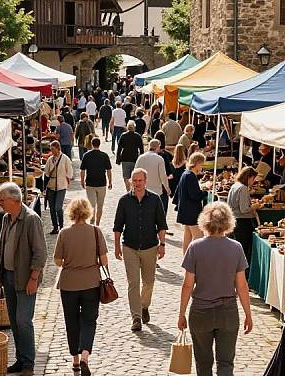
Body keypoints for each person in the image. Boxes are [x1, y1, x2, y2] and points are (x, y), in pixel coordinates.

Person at [178, 202, 252, 376]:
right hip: (227, 312)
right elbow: (241, 285)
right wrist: (248, 314)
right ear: (228, 222)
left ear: (204, 222)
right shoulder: (236, 248)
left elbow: (188, 284)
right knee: (226, 364)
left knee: (203, 364)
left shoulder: (195, 247)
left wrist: (181, 313)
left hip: (200, 312)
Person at [0, 182, 47, 376]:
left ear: (14, 200)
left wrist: (34, 278)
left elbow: (40, 252)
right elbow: (2, 245)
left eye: (2, 199)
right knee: (14, 321)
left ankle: (29, 363)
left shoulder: (31, 219)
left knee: (23, 320)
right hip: (9, 276)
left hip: (25, 278)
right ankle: (20, 358)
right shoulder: (6, 219)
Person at [54, 199, 108, 375]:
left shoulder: (64, 233)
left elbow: (58, 260)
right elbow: (104, 260)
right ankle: (85, 355)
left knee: (71, 321)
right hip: (91, 282)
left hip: (68, 283)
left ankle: (75, 360)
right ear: (88, 212)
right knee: (89, 320)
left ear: (70, 212)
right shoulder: (95, 231)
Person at [113, 168, 167, 332]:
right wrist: (116, 246)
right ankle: (136, 317)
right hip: (129, 246)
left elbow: (161, 225)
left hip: (150, 246)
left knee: (149, 282)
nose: (137, 184)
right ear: (130, 181)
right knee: (133, 283)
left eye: (140, 180)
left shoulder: (155, 200)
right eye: (134, 180)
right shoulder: (124, 201)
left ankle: (144, 306)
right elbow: (117, 226)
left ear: (146, 181)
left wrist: (162, 245)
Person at [174, 152, 209, 254]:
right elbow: (195, 195)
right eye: (201, 164)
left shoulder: (186, 174)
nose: (202, 166)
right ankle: (193, 259)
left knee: (188, 236)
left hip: (186, 210)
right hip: (191, 212)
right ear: (197, 163)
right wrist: (205, 192)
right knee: (198, 237)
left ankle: (186, 257)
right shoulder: (190, 176)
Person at [227, 167, 259, 266]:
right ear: (248, 177)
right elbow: (244, 209)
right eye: (253, 179)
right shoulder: (243, 188)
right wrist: (254, 206)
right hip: (242, 223)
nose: (253, 182)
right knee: (243, 250)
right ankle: (240, 273)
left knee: (235, 249)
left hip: (234, 220)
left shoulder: (235, 185)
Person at [80, 138, 113, 226]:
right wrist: (110, 182)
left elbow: (82, 170)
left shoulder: (86, 155)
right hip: (102, 183)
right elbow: (109, 170)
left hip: (90, 183)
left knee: (91, 205)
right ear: (99, 144)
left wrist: (82, 181)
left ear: (91, 144)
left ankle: (92, 221)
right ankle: (97, 224)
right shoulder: (104, 156)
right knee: (100, 205)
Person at [44, 141, 74, 234]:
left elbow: (69, 172)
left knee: (58, 207)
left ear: (58, 148)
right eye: (51, 149)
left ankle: (61, 225)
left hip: (61, 186)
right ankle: (55, 227)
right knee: (52, 208)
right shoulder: (50, 159)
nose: (51, 151)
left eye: (53, 149)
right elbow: (47, 172)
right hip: (51, 186)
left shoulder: (65, 159)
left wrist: (66, 180)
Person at [116, 120, 145, 192]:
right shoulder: (138, 136)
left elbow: (119, 148)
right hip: (135, 158)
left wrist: (118, 159)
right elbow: (141, 149)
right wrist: (141, 159)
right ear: (134, 127)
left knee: (126, 177)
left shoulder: (123, 135)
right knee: (134, 176)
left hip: (125, 158)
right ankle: (133, 190)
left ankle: (128, 190)